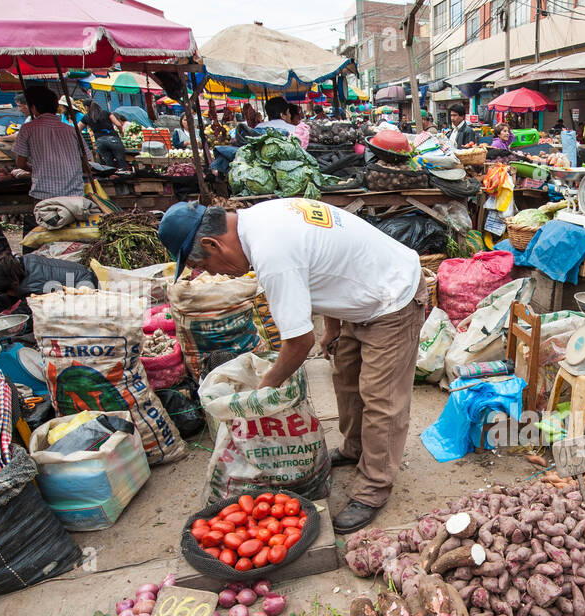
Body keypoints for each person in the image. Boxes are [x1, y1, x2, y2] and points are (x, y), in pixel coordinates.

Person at [158, 198, 428, 533]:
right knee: (346, 379)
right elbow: (325, 271)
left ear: (213, 244)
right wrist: (332, 328)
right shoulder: (256, 221)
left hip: (392, 296)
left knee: (381, 398)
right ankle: (355, 447)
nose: (215, 274)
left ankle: (373, 488)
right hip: (363, 291)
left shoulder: (271, 253)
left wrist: (264, 390)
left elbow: (299, 344)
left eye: (208, 266)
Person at [0, 252, 98, 321]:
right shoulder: (21, 264)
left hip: (87, 293)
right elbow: (1, 298)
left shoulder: (34, 290)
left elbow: (21, 320)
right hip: (84, 276)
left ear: (13, 285)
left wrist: (1, 326)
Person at [13, 85, 84, 202]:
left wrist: (35, 170)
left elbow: (20, 163)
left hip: (44, 194)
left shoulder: (27, 129)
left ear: (33, 108)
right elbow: (85, 163)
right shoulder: (72, 130)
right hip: (74, 195)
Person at [85, 102, 126, 169]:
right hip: (113, 139)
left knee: (108, 163)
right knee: (121, 161)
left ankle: (112, 177)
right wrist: (121, 132)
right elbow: (118, 124)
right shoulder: (106, 113)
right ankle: (124, 175)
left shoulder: (87, 117)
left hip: (100, 141)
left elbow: (77, 129)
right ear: (99, 107)